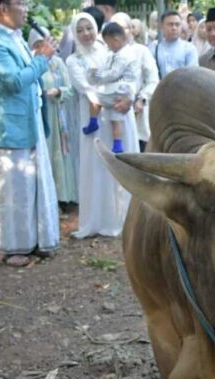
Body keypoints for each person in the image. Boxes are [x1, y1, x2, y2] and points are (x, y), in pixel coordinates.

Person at [0, 0, 60, 266]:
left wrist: (37, 55)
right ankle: (11, 248)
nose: (26, 8)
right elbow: (13, 82)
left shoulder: (16, 37)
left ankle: (36, 240)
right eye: (20, 3)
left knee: (33, 184)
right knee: (14, 189)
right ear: (4, 8)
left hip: (29, 120)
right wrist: (41, 59)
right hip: (9, 127)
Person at [67, 12, 139, 238]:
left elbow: (132, 77)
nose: (86, 33)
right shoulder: (73, 60)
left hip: (119, 111)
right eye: (80, 30)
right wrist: (108, 98)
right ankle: (100, 219)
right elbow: (84, 88)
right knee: (98, 164)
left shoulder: (111, 50)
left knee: (122, 160)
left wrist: (128, 98)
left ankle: (128, 216)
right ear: (74, 34)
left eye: (89, 28)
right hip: (95, 116)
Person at [28, 27, 79, 207]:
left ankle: (63, 196)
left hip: (58, 114)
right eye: (39, 44)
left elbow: (71, 88)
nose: (44, 47)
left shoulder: (57, 63)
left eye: (46, 43)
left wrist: (58, 91)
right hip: (39, 116)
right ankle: (45, 199)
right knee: (45, 153)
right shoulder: (30, 63)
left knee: (61, 154)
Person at [84, 22, 137, 154]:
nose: (108, 46)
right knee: (116, 119)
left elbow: (114, 73)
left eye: (108, 43)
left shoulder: (123, 55)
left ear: (116, 40)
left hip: (118, 89)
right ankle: (117, 143)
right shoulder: (121, 53)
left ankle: (93, 121)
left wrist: (99, 76)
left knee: (94, 98)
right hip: (123, 92)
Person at [111, 12, 159, 152]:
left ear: (131, 29)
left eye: (124, 28)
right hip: (114, 115)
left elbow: (153, 80)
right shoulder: (106, 54)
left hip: (138, 112)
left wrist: (141, 99)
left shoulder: (141, 51)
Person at [150, 11, 198, 79]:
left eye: (177, 24)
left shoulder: (189, 48)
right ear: (162, 26)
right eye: (170, 24)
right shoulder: (154, 48)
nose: (174, 28)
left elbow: (193, 74)